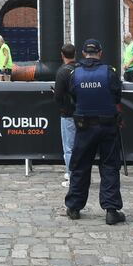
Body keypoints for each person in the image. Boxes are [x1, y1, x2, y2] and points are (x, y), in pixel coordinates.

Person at [63, 39, 125, 225]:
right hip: (107, 125)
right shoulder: (109, 72)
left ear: (83, 53)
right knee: (109, 166)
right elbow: (116, 95)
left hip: (84, 126)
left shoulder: (75, 74)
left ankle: (74, 207)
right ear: (100, 53)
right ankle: (111, 210)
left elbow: (72, 96)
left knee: (80, 166)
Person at [53, 43, 78, 188]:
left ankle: (72, 177)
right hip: (81, 112)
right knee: (79, 146)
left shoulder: (62, 71)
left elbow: (57, 96)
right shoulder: (80, 68)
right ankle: (76, 174)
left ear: (62, 55)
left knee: (69, 147)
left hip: (67, 113)